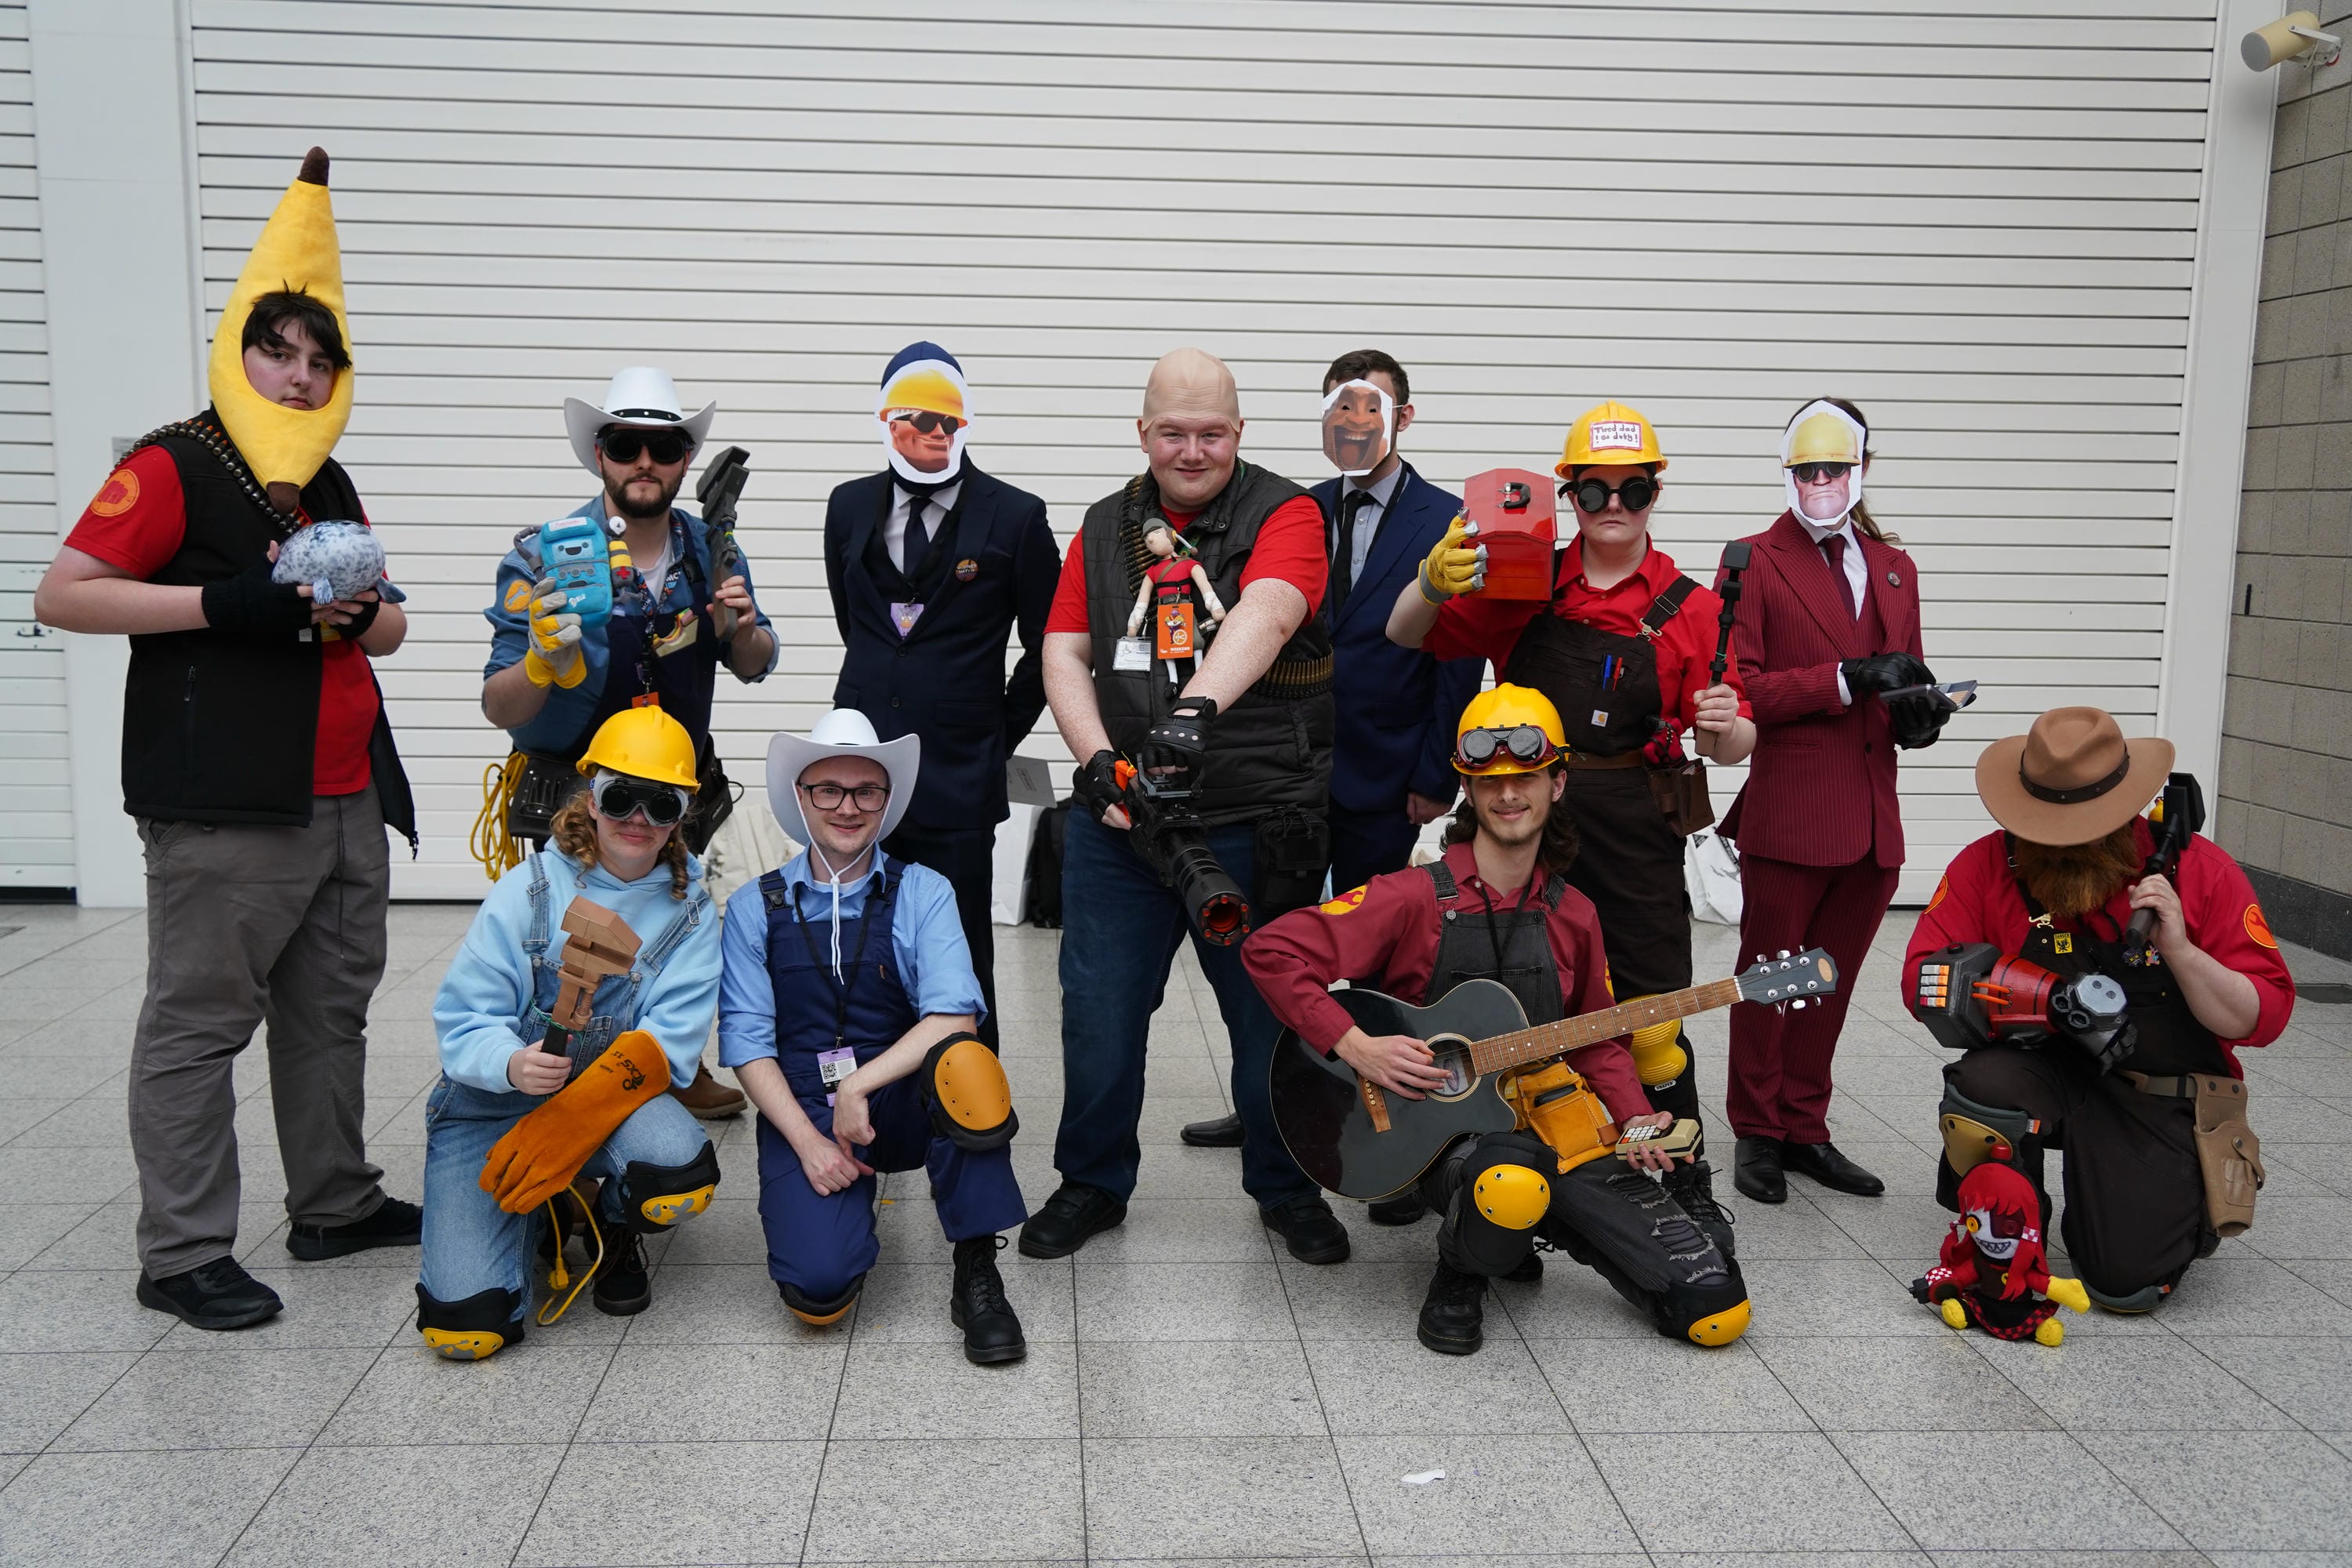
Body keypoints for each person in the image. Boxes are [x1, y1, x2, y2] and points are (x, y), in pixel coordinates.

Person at [32, 148, 422, 1331]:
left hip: (346, 794)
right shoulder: (174, 465)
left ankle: (334, 1202)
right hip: (230, 807)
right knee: (199, 1025)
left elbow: (391, 627)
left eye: (319, 360)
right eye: (277, 352)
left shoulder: (327, 480)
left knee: (329, 1013)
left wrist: (363, 613)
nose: (299, 377)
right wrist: (225, 603)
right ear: (236, 353)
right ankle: (184, 1250)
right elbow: (65, 595)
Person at [1243, 686, 1749, 1355]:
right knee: (1510, 1179)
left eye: (1526, 778)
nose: (1509, 795)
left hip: (1554, 1125)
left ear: (1558, 784)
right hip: (1439, 1137)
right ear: (1468, 790)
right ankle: (1462, 1269)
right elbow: (1271, 950)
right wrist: (1356, 1045)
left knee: (1714, 1310)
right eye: (1491, 782)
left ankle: (1526, 1229)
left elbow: (1599, 1039)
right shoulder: (1410, 897)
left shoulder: (1576, 914)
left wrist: (1634, 1119)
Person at [1024, 347, 1348, 1265]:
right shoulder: (1103, 525)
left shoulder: (1288, 511)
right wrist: (1096, 762)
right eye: (1174, 432)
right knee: (1097, 1013)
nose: (1193, 450)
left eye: (1212, 433)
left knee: (1271, 1015)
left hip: (1255, 820)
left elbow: (1270, 611)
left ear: (1239, 433)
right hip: (1123, 823)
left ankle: (1288, 1186)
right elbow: (1064, 648)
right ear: (1143, 433)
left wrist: (1193, 713)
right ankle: (1091, 1180)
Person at [1387, 401, 1752, 1194]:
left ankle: (1678, 1179)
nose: (1613, 505)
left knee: (1651, 1018)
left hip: (1633, 825)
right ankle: (1452, 1163)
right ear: (1569, 495)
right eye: (1593, 491)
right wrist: (1428, 581)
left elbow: (1731, 744)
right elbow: (1405, 632)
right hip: (1514, 813)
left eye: (1632, 489)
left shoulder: (1693, 608)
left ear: (1655, 492)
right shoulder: (1522, 579)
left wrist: (1726, 727)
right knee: (1486, 987)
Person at [1181, 349, 1476, 1160]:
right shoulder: (1296, 510)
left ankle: (1382, 1114)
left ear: (1403, 419)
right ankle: (1269, 1099)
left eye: (1372, 407)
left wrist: (1437, 774)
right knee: (1275, 946)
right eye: (1341, 408)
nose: (1355, 422)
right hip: (1286, 772)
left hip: (1387, 774)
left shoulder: (1449, 521)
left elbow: (1458, 654)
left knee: (1376, 950)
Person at [1904, 706, 2294, 1312]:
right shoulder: (1986, 865)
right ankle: (2008, 1235)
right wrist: (2044, 999)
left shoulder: (2201, 871)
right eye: (2047, 828)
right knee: (1981, 1091)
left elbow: (2262, 1016)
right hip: (2045, 1066)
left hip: (2155, 1088)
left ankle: (2171, 1200)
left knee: (2125, 1286)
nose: (2063, 843)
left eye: (2083, 829)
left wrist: (2180, 950)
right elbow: (1922, 980)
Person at [481, 365, 779, 1120]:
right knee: (568, 943)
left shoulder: (714, 549)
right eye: (625, 445)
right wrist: (540, 661)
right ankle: (559, 1076)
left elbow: (756, 662)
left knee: (677, 925)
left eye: (664, 446)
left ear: (685, 460)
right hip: (573, 790)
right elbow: (497, 704)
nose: (645, 461)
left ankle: (672, 1065)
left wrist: (740, 628)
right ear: (599, 454)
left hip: (677, 786)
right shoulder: (545, 557)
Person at [718, 710, 1026, 1362]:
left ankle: (976, 1266)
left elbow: (955, 1017)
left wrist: (858, 1086)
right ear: (801, 797)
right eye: (829, 789)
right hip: (804, 1103)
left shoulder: (924, 891)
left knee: (966, 1064)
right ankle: (840, 1220)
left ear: (886, 801)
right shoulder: (753, 907)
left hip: (896, 1094)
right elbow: (746, 1042)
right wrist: (809, 1143)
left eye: (867, 791)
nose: (848, 807)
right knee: (818, 1293)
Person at [419, 706, 723, 1358]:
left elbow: (670, 1045)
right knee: (465, 1329)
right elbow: (465, 1017)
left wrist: (567, 1125)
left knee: (678, 1176)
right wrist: (510, 1063)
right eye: (620, 797)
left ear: (681, 815)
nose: (638, 819)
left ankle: (612, 1224)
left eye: (661, 805)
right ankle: (542, 1214)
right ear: (590, 798)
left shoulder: (691, 910)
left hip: (610, 1103)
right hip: (492, 1105)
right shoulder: (528, 890)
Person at [1715, 397, 1951, 1206]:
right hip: (1793, 809)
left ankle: (1803, 1125)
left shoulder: (1895, 567)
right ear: (1790, 472)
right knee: (1771, 978)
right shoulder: (1752, 560)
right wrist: (1846, 679)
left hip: (1873, 818)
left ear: (1862, 469)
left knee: (1829, 984)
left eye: (1836, 468)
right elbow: (1741, 687)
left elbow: (1905, 672)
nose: (1822, 480)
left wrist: (1919, 715)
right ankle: (1757, 1128)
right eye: (1808, 468)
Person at [823, 343, 1060, 1054]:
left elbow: (1048, 647)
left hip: (959, 774)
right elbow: (859, 627)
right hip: (856, 768)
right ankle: (866, 1085)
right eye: (911, 416)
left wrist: (995, 733)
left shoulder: (1016, 516)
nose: (929, 430)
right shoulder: (847, 505)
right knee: (854, 942)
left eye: (943, 418)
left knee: (958, 947)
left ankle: (968, 1094)